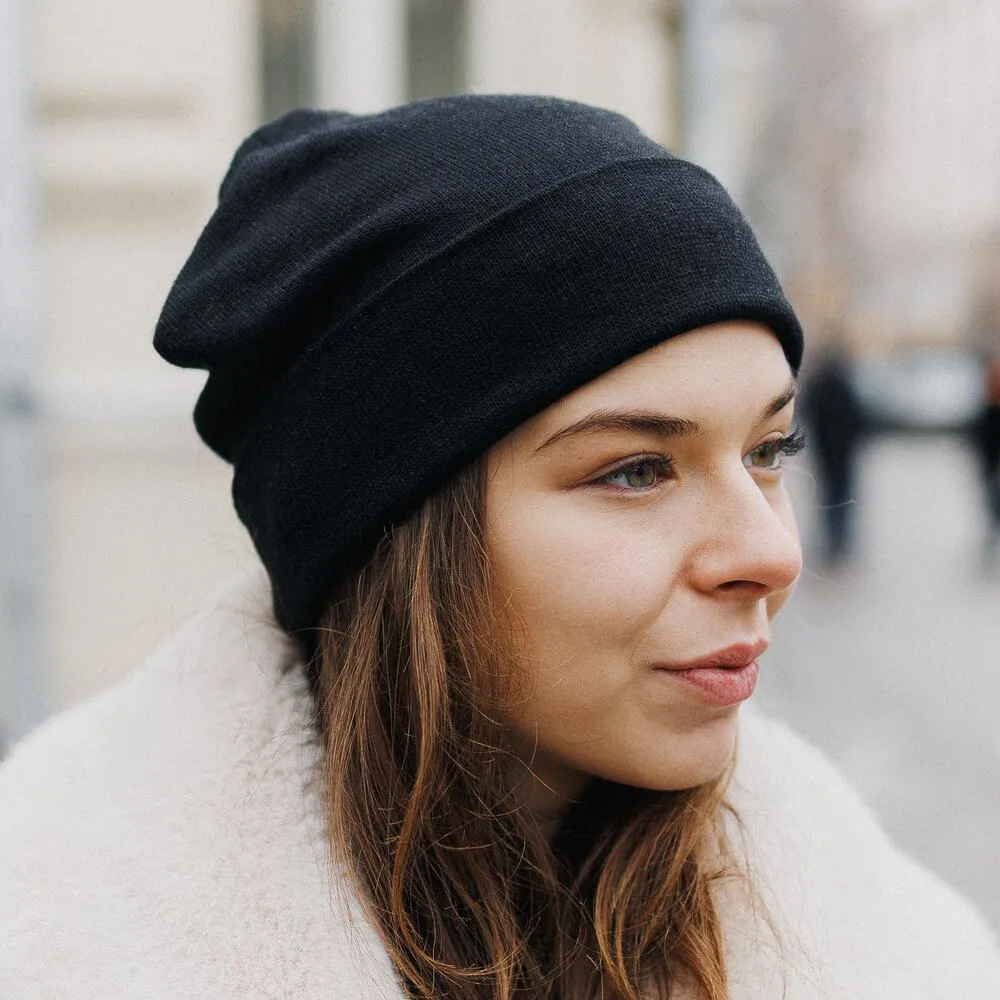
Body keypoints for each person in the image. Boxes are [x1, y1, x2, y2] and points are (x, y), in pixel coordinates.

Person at [1, 97, 998, 1000]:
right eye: (636, 470)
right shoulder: (59, 941)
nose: (770, 554)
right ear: (394, 530)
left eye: (767, 451)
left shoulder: (892, 951)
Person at [799, 337, 869, 568]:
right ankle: (838, 543)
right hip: (840, 454)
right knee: (839, 498)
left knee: (831, 498)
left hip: (828, 452)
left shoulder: (821, 386)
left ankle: (834, 543)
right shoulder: (843, 386)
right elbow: (859, 419)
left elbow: (808, 415)